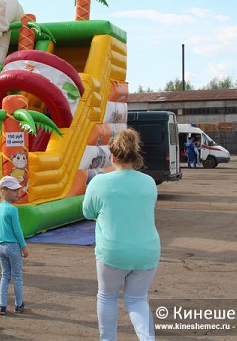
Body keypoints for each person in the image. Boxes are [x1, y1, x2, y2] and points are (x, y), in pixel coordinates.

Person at [82, 128, 160, 341]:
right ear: (135, 156)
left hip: (113, 252)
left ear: (112, 156)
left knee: (107, 297)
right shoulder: (149, 182)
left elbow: (87, 212)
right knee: (137, 300)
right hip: (147, 252)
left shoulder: (99, 182)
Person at [0, 175, 28, 316]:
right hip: (13, 246)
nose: (17, 193)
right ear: (4, 191)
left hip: (0, 246)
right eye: (14, 190)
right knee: (17, 276)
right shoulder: (12, 209)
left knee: (5, 275)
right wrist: (24, 246)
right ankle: (18, 304)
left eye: (17, 190)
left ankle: (2, 305)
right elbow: (17, 230)